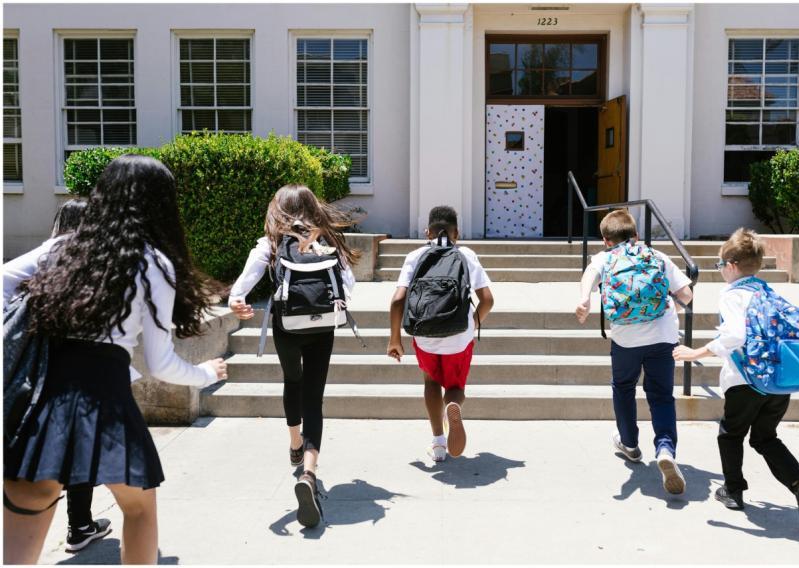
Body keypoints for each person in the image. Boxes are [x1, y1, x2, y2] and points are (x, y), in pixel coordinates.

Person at [3, 155, 227, 564]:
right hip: (105, 402)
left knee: (20, 541)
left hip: (39, 404)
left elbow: (3, 281)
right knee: (139, 509)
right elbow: (161, 364)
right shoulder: (152, 262)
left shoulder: (60, 247)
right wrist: (204, 374)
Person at [229, 184, 358, 529]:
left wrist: (237, 301)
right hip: (322, 326)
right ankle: (310, 474)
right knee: (313, 397)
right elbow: (349, 285)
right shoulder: (328, 239)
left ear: (279, 208)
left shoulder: (271, 242)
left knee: (293, 381)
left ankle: (295, 443)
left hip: (286, 325)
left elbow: (244, 282)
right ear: (313, 206)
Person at [673, 228, 799, 522]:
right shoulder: (767, 292)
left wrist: (695, 353)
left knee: (730, 434)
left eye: (720, 266)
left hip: (745, 381)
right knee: (766, 438)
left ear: (731, 266)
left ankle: (733, 490)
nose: (720, 272)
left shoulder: (732, 295)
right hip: (778, 383)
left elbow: (734, 336)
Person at [575, 209, 692, 494]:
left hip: (626, 339)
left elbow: (590, 275)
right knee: (661, 395)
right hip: (663, 336)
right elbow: (687, 295)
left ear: (605, 240)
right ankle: (665, 449)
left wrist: (584, 301)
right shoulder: (657, 256)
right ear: (636, 235)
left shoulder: (605, 258)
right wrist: (669, 310)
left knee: (624, 387)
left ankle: (629, 443)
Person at [387, 206, 494, 461]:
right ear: (457, 232)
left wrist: (394, 340)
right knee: (455, 387)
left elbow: (397, 300)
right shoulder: (466, 255)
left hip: (424, 335)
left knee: (431, 382)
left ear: (427, 232)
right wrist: (473, 322)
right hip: (459, 336)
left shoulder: (415, 255)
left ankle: (437, 443)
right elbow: (488, 300)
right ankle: (453, 405)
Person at [44, 198, 114, 553]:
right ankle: (80, 525)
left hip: (44, 376)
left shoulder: (42, 267)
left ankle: (74, 523)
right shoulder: (93, 273)